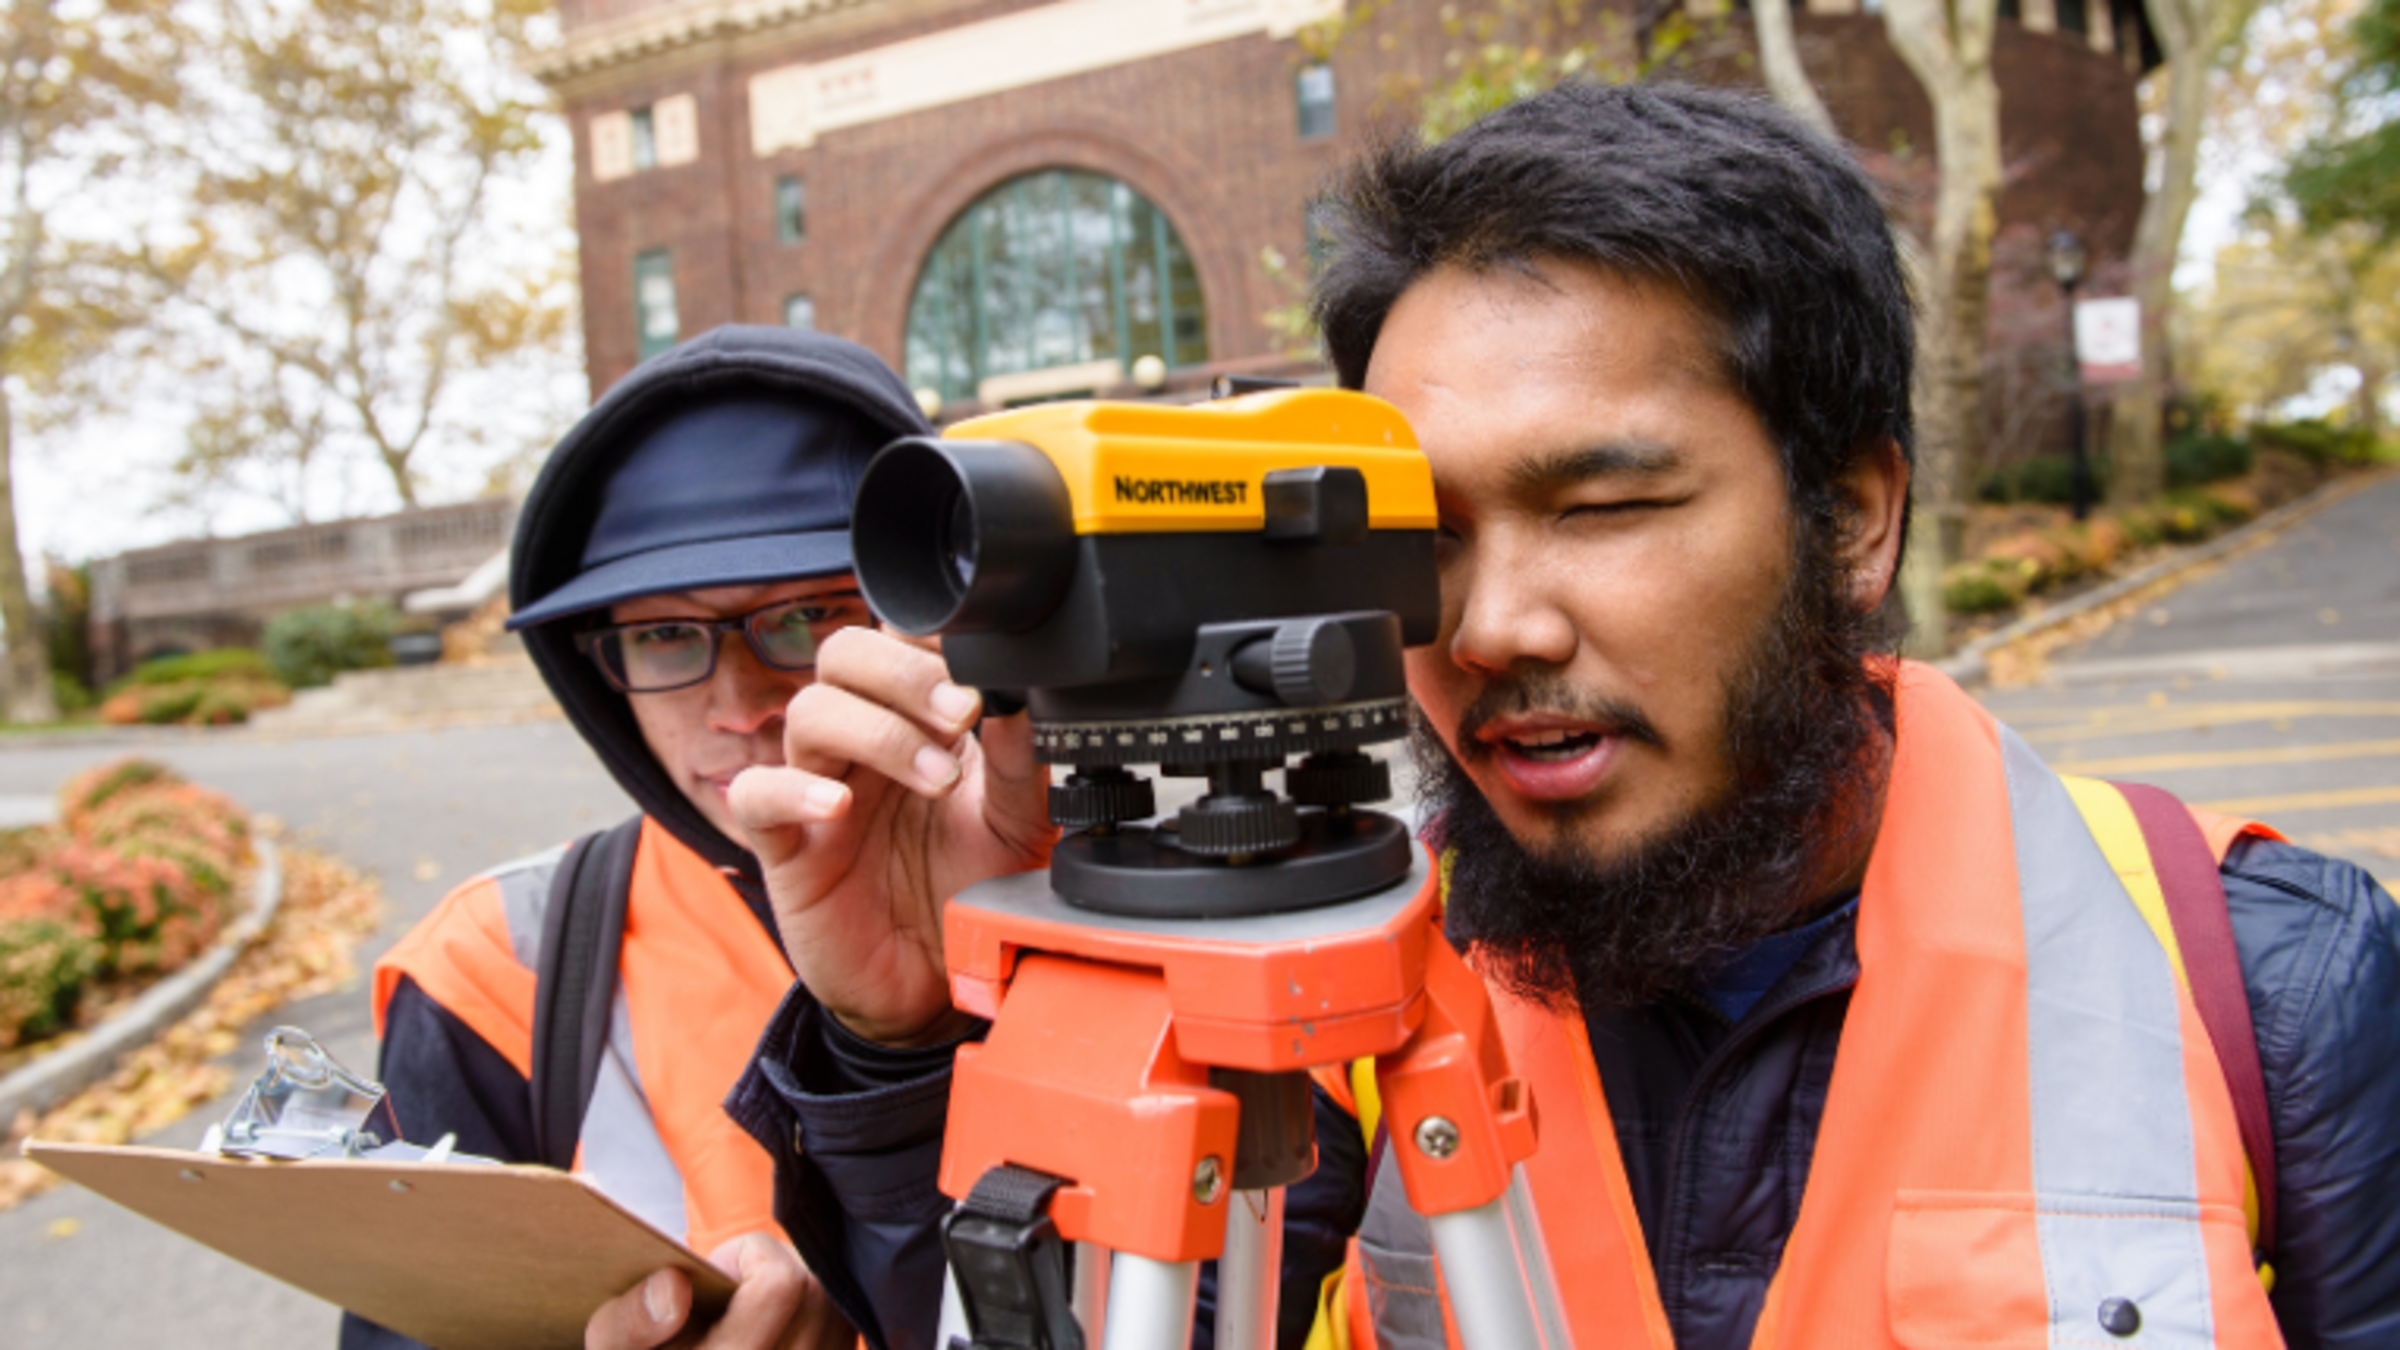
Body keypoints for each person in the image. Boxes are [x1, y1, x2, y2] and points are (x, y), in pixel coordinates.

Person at [589, 86, 2400, 1350]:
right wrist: (912, 1044)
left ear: (1856, 515)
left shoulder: (2264, 992)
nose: (1496, 623)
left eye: (1606, 508)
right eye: (1425, 535)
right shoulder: (1321, 1008)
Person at [344, 325, 946, 1350]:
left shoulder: (1116, 899)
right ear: (597, 668)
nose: (738, 705)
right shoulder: (491, 972)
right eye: (665, 635)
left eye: (803, 616)